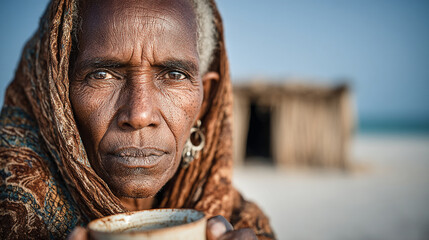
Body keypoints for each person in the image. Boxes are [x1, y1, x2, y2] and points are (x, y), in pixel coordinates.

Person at [0, 0, 275, 239]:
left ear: (204, 102)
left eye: (175, 74)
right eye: (102, 74)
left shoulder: (243, 224)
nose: (139, 115)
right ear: (56, 95)